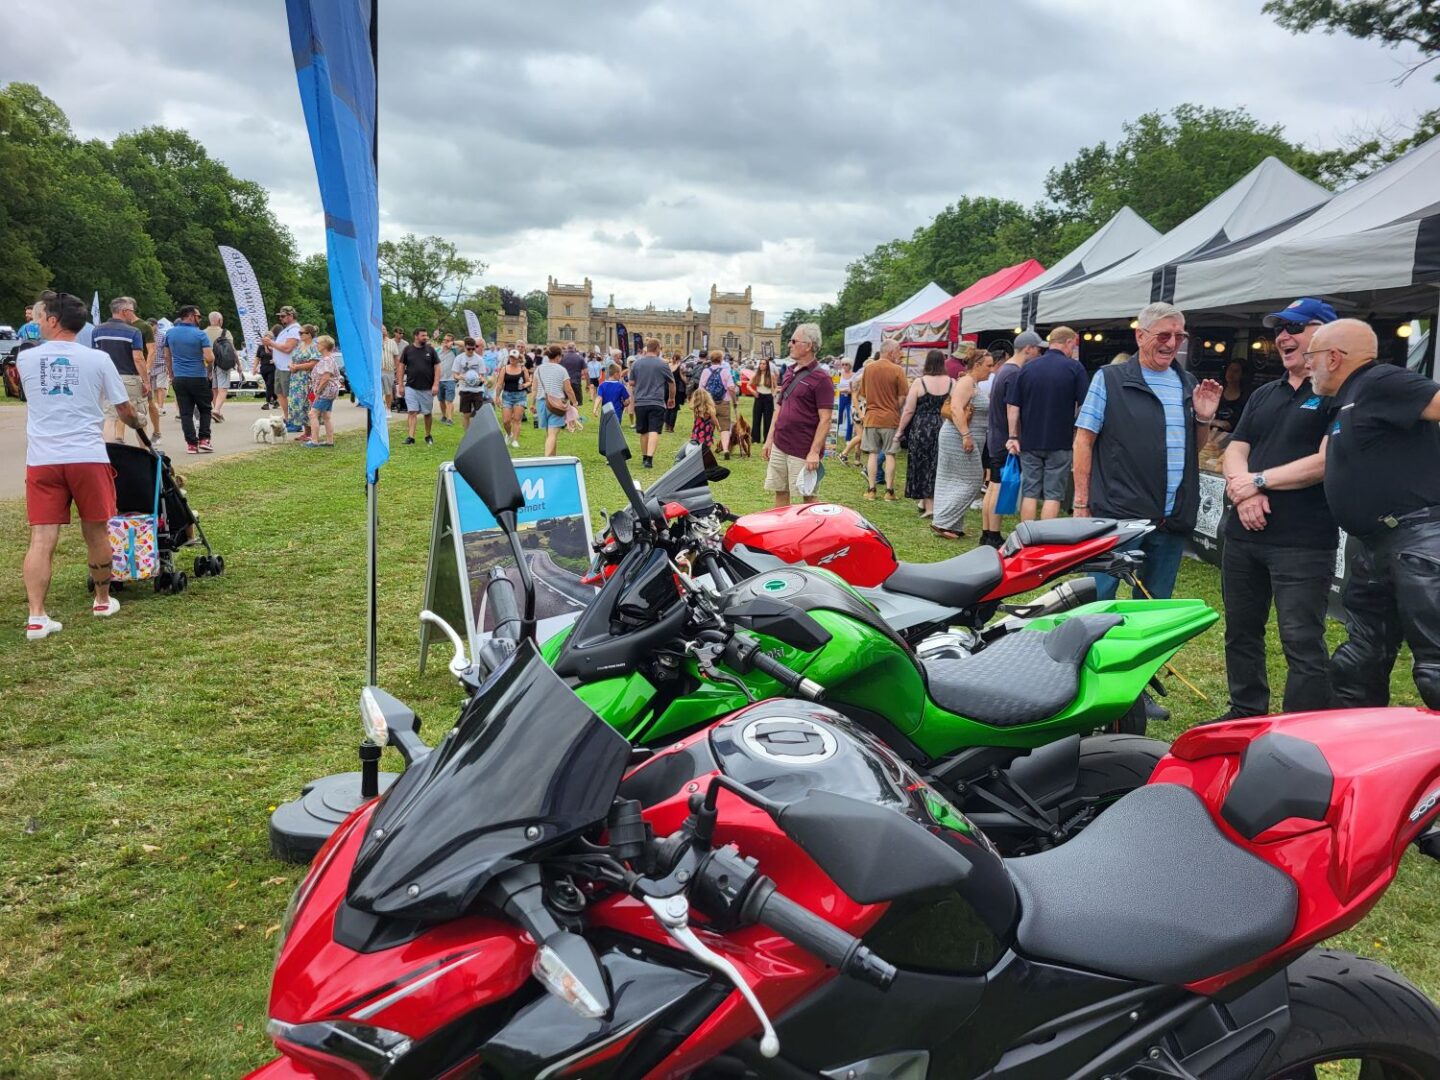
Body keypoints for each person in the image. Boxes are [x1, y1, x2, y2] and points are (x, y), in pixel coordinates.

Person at [1211, 298, 1339, 724]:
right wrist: (1245, 493)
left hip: (1302, 540)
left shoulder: (1339, 395)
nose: (1283, 336)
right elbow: (1236, 449)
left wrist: (1259, 481)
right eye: (1280, 328)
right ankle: (1244, 714)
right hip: (1244, 536)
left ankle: (1302, 730)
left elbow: (1325, 462)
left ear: (1325, 336)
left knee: (1301, 640)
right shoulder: (1265, 392)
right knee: (1241, 632)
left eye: (1295, 328)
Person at [1309, 318, 1440, 709]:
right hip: (1373, 546)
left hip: (1417, 540)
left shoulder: (1380, 381)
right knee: (1358, 663)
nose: (1307, 364)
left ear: (1333, 358)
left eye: (1312, 356)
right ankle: (1356, 752)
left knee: (1435, 669)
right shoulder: (1351, 397)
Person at [1073, 302, 1223, 601]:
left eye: (1179, 336)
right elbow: (1083, 441)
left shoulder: (1187, 383)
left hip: (1171, 516)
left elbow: (1194, 448)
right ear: (1140, 336)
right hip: (1120, 512)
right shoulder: (1110, 379)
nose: (1172, 343)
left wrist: (1204, 418)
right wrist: (1081, 503)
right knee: (1100, 596)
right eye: (1164, 335)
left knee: (1154, 602)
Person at [19, 292, 146, 638]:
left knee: (42, 538)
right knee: (97, 531)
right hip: (87, 455)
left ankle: (37, 615)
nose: (38, 321)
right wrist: (137, 424)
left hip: (44, 459)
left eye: (42, 316)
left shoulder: (27, 358)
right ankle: (103, 600)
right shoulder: (98, 359)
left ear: (54, 321)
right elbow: (124, 410)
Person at [1003, 327, 1088, 521]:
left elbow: (1013, 407)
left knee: (1030, 491)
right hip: (1061, 440)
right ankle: (1044, 539)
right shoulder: (1075, 368)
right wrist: (1078, 434)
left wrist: (1013, 436)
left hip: (1030, 440)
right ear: (1068, 342)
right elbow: (1084, 406)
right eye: (1073, 345)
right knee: (1053, 494)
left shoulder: (1028, 367)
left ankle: (1027, 536)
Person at [763, 322, 834, 507]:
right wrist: (770, 439)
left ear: (808, 345)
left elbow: (825, 419)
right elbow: (778, 408)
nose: (789, 344)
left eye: (794, 341)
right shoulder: (788, 371)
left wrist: (814, 452)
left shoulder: (822, 379)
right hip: (780, 443)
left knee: (808, 498)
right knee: (780, 491)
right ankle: (781, 532)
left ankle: (808, 535)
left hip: (803, 449)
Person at [932, 348, 997, 539]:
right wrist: (966, 435)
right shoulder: (967, 382)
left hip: (963, 437)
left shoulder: (972, 383)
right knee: (974, 481)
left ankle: (951, 525)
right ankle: (943, 521)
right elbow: (955, 408)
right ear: (977, 365)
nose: (991, 370)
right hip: (958, 437)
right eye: (989, 366)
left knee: (953, 479)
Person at [980, 338, 1029, 547]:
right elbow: (1012, 408)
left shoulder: (1002, 372)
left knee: (993, 485)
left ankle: (987, 532)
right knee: (998, 486)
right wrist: (1014, 437)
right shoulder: (1014, 374)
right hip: (1003, 439)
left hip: (994, 436)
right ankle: (993, 534)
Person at [895, 350, 953, 518]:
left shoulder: (920, 383)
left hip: (922, 428)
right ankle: (927, 502)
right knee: (938, 465)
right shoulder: (952, 383)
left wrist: (899, 431)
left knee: (921, 465)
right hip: (944, 426)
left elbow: (908, 410)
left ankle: (929, 507)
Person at [92, 296, 150, 444]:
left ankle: (109, 455)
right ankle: (146, 453)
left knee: (110, 418)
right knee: (139, 416)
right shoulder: (133, 331)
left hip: (106, 378)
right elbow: (138, 358)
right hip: (129, 377)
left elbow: (95, 356)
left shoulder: (97, 330)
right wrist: (146, 381)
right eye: (132, 311)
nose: (134, 314)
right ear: (124, 311)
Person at [858, 340, 909, 500]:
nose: (899, 353)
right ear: (890, 351)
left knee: (872, 454)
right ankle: (889, 491)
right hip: (890, 418)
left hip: (871, 417)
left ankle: (871, 490)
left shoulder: (869, 368)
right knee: (890, 454)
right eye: (898, 350)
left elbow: (863, 393)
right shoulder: (897, 370)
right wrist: (894, 407)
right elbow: (902, 396)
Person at [164, 305, 217, 454]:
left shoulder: (170, 333)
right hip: (198, 376)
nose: (200, 319)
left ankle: (191, 444)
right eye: (198, 317)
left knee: (185, 412)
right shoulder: (200, 334)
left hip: (179, 377)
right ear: (190, 316)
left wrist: (171, 373)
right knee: (205, 409)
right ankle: (204, 439)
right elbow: (209, 357)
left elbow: (167, 356)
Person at [628, 337, 675, 468]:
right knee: (654, 429)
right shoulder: (662, 364)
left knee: (643, 431)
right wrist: (672, 398)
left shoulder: (636, 364)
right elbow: (672, 383)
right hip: (657, 401)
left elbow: (631, 382)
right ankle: (649, 458)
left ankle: (644, 457)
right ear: (657, 349)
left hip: (640, 402)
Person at [397, 327, 441, 445]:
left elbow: (437, 367)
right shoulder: (408, 350)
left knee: (427, 413)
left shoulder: (430, 350)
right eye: (423, 335)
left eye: (426, 335)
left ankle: (428, 435)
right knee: (412, 411)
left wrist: (436, 384)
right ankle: (411, 437)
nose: (425, 338)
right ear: (416, 336)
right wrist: (401, 384)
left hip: (427, 387)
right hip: (411, 386)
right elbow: (401, 366)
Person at [262, 306, 302, 429]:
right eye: (279, 316)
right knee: (279, 393)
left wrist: (271, 343)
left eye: (283, 316)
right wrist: (268, 345)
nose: (280, 318)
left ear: (291, 316)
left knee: (290, 395)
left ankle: (295, 422)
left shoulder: (295, 330)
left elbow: (288, 348)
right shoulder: (286, 330)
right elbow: (279, 347)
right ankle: (288, 418)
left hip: (288, 367)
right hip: (280, 367)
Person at [535, 344, 578, 457]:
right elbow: (568, 389)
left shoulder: (539, 369)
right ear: (558, 356)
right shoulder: (562, 370)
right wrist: (575, 402)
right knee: (553, 434)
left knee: (549, 434)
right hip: (556, 404)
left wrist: (532, 403)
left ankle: (552, 458)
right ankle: (547, 460)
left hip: (541, 402)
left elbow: (534, 388)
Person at [697, 350, 736, 458]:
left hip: (709, 403)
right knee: (725, 427)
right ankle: (725, 449)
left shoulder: (705, 371)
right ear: (721, 360)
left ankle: (706, 449)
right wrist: (734, 399)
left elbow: (701, 389)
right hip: (723, 402)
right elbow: (731, 388)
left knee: (708, 426)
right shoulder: (726, 371)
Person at [286, 325, 321, 443]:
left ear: (309, 334)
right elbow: (293, 360)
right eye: (299, 333)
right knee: (298, 404)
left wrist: (298, 366)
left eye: (302, 333)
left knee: (308, 404)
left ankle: (312, 433)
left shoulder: (314, 346)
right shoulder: (299, 346)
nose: (299, 335)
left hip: (307, 380)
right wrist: (291, 366)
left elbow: (314, 363)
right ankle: (306, 432)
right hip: (296, 379)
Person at [307, 335, 342, 447]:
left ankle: (314, 441)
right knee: (326, 416)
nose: (316, 345)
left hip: (326, 391)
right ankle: (329, 441)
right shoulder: (329, 358)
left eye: (318, 343)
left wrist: (317, 391)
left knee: (313, 414)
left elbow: (325, 377)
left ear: (324, 346)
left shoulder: (326, 360)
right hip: (331, 390)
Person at [204, 312, 238, 424]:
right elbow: (232, 350)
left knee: (214, 389)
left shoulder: (202, 333)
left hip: (207, 363)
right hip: (222, 364)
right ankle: (217, 410)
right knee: (222, 389)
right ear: (219, 321)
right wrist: (239, 365)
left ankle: (216, 412)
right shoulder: (225, 333)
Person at [496, 349, 530, 447]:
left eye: (514, 358)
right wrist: (497, 397)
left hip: (520, 396)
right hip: (507, 396)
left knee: (517, 419)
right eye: (511, 357)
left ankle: (515, 440)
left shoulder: (523, 369)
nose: (512, 359)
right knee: (506, 421)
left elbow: (528, 381)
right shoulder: (504, 369)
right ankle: (508, 434)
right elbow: (499, 384)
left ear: (519, 359)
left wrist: (524, 385)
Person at [453, 337, 488, 430]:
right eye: (469, 349)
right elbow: (455, 375)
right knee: (466, 414)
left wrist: (482, 379)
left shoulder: (479, 359)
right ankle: (467, 436)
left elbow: (482, 375)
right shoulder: (459, 358)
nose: (471, 351)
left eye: (474, 348)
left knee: (479, 414)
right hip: (465, 389)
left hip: (477, 390)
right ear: (464, 347)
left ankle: (479, 433)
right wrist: (460, 377)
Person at [148, 316, 172, 436]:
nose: (151, 328)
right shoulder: (145, 335)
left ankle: (161, 407)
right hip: (150, 365)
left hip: (161, 364)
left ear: (156, 325)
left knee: (161, 386)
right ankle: (156, 405)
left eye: (152, 326)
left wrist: (168, 365)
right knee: (153, 388)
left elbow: (166, 350)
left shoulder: (162, 335)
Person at [1212, 357, 1250, 433]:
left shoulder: (1246, 396)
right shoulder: (1216, 390)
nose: (1231, 374)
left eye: (1236, 371)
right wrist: (1215, 422)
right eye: (1229, 369)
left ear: (1242, 374)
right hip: (1212, 433)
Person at [751, 355, 776, 445]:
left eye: (764, 364)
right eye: (760, 364)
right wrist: (753, 392)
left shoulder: (771, 375)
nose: (762, 365)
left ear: (767, 365)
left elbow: (775, 387)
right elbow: (748, 385)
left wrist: (773, 394)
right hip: (759, 397)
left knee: (768, 420)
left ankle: (767, 439)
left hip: (768, 398)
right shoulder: (756, 375)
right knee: (756, 418)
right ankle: (755, 439)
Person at [435, 332, 459, 425]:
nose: (445, 342)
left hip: (450, 379)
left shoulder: (455, 350)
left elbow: (464, 343)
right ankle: (444, 415)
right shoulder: (437, 351)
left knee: (449, 400)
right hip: (439, 379)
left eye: (448, 341)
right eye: (444, 340)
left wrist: (453, 343)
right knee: (441, 400)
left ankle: (450, 418)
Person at [256, 332, 278, 411]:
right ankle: (276, 400)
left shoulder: (275, 347)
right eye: (265, 338)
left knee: (269, 385)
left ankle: (267, 403)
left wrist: (275, 359)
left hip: (273, 368)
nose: (266, 340)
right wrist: (254, 368)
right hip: (263, 368)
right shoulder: (261, 347)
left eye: (268, 338)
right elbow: (257, 358)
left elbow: (280, 356)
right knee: (270, 386)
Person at [560, 342, 586, 407]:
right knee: (575, 404)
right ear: (575, 348)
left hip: (564, 382)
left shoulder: (562, 358)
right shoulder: (580, 358)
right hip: (576, 382)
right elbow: (585, 371)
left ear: (567, 348)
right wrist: (588, 384)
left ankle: (564, 416)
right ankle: (574, 416)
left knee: (563, 403)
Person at [380, 323, 398, 411]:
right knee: (379, 392)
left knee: (388, 391)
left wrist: (397, 369)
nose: (383, 331)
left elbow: (396, 357)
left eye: (384, 329)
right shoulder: (374, 342)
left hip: (389, 370)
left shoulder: (392, 342)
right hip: (378, 371)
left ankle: (388, 409)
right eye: (381, 329)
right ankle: (379, 409)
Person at [836, 360, 854, 441]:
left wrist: (849, 390)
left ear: (850, 365)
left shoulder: (854, 375)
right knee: (837, 416)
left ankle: (848, 438)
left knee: (850, 418)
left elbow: (855, 388)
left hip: (850, 398)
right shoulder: (839, 374)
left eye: (846, 364)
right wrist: (842, 390)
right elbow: (835, 386)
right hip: (841, 397)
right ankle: (834, 434)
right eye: (842, 364)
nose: (844, 366)